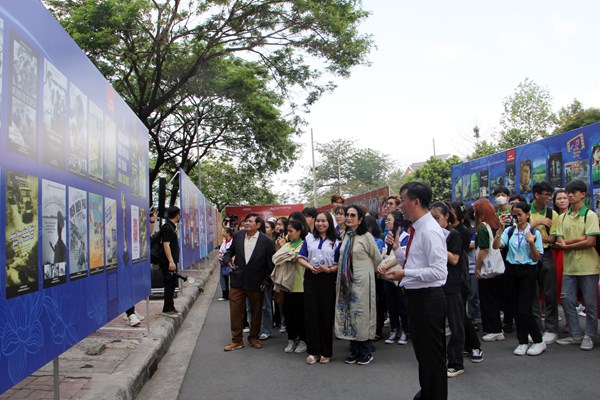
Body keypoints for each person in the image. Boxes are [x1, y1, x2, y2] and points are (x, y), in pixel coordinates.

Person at [385, 182, 448, 400]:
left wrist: (405, 273)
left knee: (432, 357)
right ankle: (428, 393)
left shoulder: (429, 230)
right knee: (424, 356)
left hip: (428, 299)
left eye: (403, 201)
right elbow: (415, 262)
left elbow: (439, 272)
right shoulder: (418, 228)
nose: (400, 206)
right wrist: (397, 250)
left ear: (416, 202)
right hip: (417, 298)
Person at [493, 201, 546, 356]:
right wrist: (499, 229)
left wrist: (531, 242)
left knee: (524, 310)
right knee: (515, 309)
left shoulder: (534, 233)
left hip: (528, 271)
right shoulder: (509, 231)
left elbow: (536, 258)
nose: (517, 218)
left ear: (527, 215)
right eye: (514, 215)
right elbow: (496, 246)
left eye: (520, 215)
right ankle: (522, 341)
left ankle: (538, 340)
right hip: (511, 270)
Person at [555, 180, 599, 350]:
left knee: (590, 304)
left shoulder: (590, 215)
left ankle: (590, 335)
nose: (570, 196)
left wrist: (568, 244)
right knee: (566, 299)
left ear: (583, 194)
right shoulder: (562, 217)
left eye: (574, 192)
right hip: (570, 267)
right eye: (569, 193)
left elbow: (590, 241)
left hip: (589, 266)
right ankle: (575, 334)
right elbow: (559, 240)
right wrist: (579, 239)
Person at [335, 204, 382, 365]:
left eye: (353, 215)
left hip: (362, 283)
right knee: (349, 314)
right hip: (346, 283)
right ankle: (354, 350)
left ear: (360, 219)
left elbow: (377, 258)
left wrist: (369, 275)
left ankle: (366, 351)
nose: (348, 218)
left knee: (362, 315)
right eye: (347, 215)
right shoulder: (345, 236)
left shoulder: (366, 236)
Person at [223, 213, 275, 351]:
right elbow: (229, 251)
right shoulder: (238, 236)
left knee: (256, 312)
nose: (246, 223)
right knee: (235, 311)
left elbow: (270, 264)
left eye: (250, 221)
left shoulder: (266, 241)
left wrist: (267, 280)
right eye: (246, 221)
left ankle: (253, 337)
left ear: (258, 225)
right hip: (237, 280)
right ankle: (236, 340)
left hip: (257, 282)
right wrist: (227, 259)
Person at [430, 201, 467, 377]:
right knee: (437, 325)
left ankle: (456, 362)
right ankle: (439, 360)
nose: (434, 222)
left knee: (456, 324)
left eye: (437, 218)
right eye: (431, 219)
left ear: (446, 216)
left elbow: (454, 259)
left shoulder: (453, 235)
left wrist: (439, 246)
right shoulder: (432, 234)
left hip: (452, 285)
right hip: (436, 284)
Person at [298, 211, 340, 364]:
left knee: (326, 315)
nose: (320, 224)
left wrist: (328, 269)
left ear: (330, 222)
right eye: (318, 221)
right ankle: (313, 351)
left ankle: (326, 352)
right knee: (311, 315)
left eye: (324, 221)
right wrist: (311, 267)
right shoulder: (309, 238)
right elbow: (300, 258)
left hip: (328, 279)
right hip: (311, 278)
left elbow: (339, 263)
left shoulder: (337, 241)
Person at [448, 202, 483, 363]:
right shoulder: (447, 231)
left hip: (460, 278)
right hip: (449, 278)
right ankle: (466, 345)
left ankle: (475, 346)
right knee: (456, 317)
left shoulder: (460, 232)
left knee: (461, 316)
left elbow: (456, 257)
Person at [529, 181, 559, 344]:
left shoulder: (552, 213)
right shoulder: (526, 211)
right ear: (537, 195)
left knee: (549, 292)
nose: (548, 198)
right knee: (532, 293)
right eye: (546, 195)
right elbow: (521, 233)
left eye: (550, 195)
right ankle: (535, 329)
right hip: (529, 255)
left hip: (546, 254)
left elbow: (553, 239)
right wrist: (536, 223)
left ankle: (551, 328)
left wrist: (534, 236)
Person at [472, 199, 505, 342]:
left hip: (487, 269)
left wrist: (477, 267)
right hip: (496, 269)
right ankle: (496, 328)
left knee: (487, 300)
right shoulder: (494, 225)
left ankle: (493, 329)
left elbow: (484, 249)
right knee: (494, 299)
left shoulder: (482, 227)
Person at [377, 210, 411, 346]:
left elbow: (400, 256)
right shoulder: (388, 237)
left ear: (397, 223)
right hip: (388, 276)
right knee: (391, 304)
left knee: (402, 304)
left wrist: (385, 265)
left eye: (389, 220)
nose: (386, 223)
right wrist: (383, 265)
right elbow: (385, 254)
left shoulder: (406, 237)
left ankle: (406, 330)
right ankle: (394, 329)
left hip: (400, 275)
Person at [276, 219, 308, 353]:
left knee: (300, 315)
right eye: (287, 231)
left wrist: (284, 248)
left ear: (299, 232)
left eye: (291, 231)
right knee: (288, 315)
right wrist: (281, 247)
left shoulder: (304, 244)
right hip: (286, 285)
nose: (288, 234)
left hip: (299, 285)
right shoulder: (287, 244)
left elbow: (293, 258)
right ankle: (291, 339)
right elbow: (277, 259)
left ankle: (303, 340)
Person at [160, 206, 181, 315]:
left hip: (171, 261)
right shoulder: (168, 228)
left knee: (172, 284)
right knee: (169, 284)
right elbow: (166, 245)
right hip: (168, 262)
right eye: (179, 214)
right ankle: (167, 308)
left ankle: (170, 306)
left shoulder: (171, 227)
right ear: (177, 215)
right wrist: (171, 261)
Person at [552, 189, 569, 313]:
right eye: (559, 198)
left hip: (570, 251)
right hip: (555, 253)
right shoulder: (553, 216)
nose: (562, 201)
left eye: (565, 198)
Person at [218, 228, 234, 301]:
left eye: (224, 231)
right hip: (223, 262)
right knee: (223, 278)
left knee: (232, 278)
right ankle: (225, 295)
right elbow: (221, 250)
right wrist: (220, 255)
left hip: (231, 262)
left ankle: (233, 294)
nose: (223, 233)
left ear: (228, 233)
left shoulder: (232, 241)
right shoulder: (224, 242)